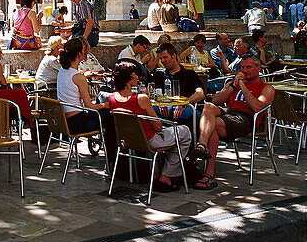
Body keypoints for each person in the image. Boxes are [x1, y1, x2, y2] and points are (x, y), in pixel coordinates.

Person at [107, 61, 193, 191]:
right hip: (149, 141)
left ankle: (160, 172)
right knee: (185, 132)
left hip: (128, 142)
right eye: (134, 74)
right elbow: (157, 126)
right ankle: (166, 175)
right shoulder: (141, 98)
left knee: (173, 135)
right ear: (128, 79)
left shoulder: (112, 98)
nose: (137, 77)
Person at [196, 55, 274, 189]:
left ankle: (208, 172)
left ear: (258, 69)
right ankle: (202, 146)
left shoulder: (267, 88)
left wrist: (243, 85)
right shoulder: (234, 83)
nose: (244, 70)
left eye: (248, 67)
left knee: (212, 124)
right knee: (208, 107)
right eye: (242, 67)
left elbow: (256, 107)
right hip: (228, 112)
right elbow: (215, 101)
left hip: (246, 119)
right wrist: (233, 85)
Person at [56, 37, 108, 134]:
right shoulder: (79, 78)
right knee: (109, 115)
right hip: (77, 122)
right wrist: (106, 105)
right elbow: (89, 106)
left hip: (63, 121)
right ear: (79, 54)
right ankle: (112, 148)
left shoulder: (61, 71)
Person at [154, 42, 206, 131]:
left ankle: (193, 143)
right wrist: (160, 104)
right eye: (161, 59)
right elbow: (154, 92)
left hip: (183, 107)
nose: (162, 61)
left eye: (165, 57)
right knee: (148, 111)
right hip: (164, 108)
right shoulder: (159, 74)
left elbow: (200, 93)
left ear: (173, 56)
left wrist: (184, 103)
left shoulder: (189, 74)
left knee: (195, 115)